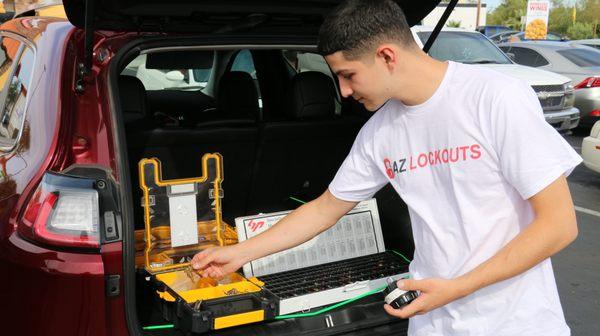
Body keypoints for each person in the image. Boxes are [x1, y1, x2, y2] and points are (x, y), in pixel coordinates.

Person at [192, 0, 581, 334]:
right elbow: (326, 208)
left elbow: (558, 225)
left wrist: (458, 287)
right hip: (432, 320)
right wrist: (241, 253)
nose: (344, 91)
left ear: (387, 56)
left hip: (514, 322)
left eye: (348, 75)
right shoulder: (381, 130)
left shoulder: (494, 98)